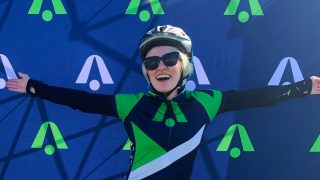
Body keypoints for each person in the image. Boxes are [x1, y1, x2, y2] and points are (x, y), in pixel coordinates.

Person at [5, 25, 320, 180]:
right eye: (152, 62)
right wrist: (34, 87)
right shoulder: (131, 104)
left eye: (170, 58)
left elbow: (256, 98)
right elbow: (81, 101)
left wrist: (302, 87)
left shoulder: (206, 102)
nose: (161, 67)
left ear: (185, 64)